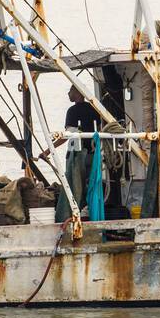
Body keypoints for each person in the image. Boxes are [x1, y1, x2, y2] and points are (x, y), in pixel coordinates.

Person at [42, 86, 103, 222]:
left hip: (77, 157)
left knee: (75, 187)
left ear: (77, 93)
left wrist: (47, 151)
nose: (68, 93)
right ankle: (91, 214)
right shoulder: (94, 109)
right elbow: (98, 131)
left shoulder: (73, 111)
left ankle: (73, 216)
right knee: (91, 186)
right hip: (93, 155)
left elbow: (67, 135)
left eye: (70, 91)